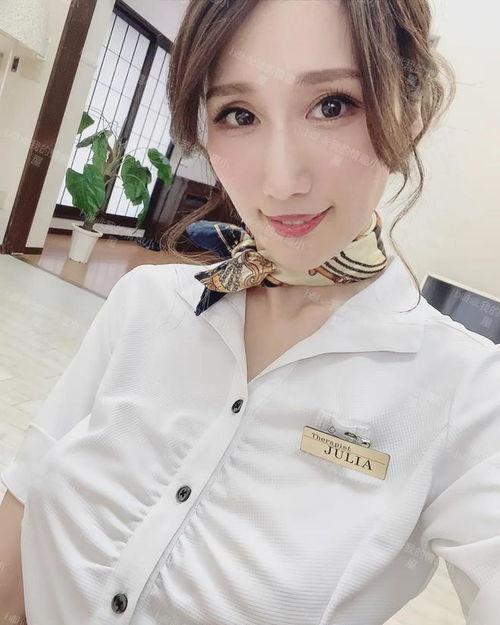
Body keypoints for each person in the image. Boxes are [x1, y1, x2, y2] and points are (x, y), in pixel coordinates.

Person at [1, 1, 499, 624]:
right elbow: (27, 492)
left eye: (334, 105)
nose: (281, 181)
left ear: (413, 114)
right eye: (239, 114)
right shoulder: (144, 302)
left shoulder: (468, 396)